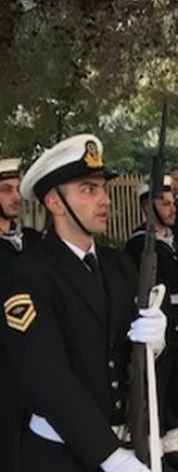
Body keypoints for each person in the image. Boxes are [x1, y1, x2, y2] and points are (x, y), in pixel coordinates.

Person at [0, 135, 167, 472]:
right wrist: (110, 456)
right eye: (88, 189)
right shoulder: (27, 275)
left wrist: (156, 339)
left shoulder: (117, 264)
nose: (104, 200)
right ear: (55, 202)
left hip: (120, 441)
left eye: (103, 188)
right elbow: (48, 378)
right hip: (59, 455)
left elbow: (123, 349)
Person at [124, 177, 178, 471]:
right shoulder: (139, 245)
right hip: (160, 329)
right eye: (165, 204)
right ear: (148, 207)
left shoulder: (173, 240)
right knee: (155, 388)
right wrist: (177, 321)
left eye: (173, 203)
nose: (172, 209)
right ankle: (153, 448)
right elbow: (147, 294)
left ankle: (171, 446)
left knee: (176, 386)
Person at [0, 158, 41, 472]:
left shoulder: (34, 241)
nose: (16, 197)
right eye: (5, 190)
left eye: (17, 189)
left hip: (36, 360)